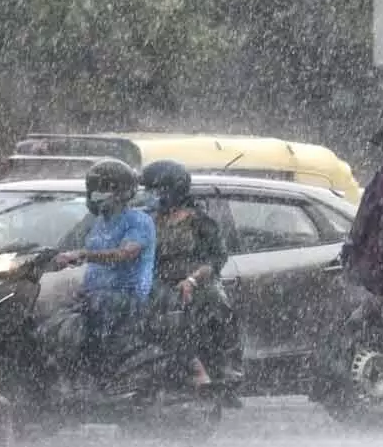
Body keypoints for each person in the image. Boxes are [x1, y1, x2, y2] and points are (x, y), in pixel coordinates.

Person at [139, 160, 243, 402]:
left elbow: (216, 258)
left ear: (171, 190)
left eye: (155, 190)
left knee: (219, 305)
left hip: (197, 281)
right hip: (159, 283)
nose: (151, 196)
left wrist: (192, 280)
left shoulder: (200, 221)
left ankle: (228, 366)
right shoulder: (149, 221)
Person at [52, 159, 157, 385]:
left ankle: (101, 374)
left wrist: (84, 255)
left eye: (103, 188)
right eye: (93, 188)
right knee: (55, 319)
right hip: (94, 293)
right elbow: (68, 245)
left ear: (121, 191)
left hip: (126, 295)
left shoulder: (138, 221)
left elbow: (125, 253)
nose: (96, 194)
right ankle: (67, 376)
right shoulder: (97, 222)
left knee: (97, 318)